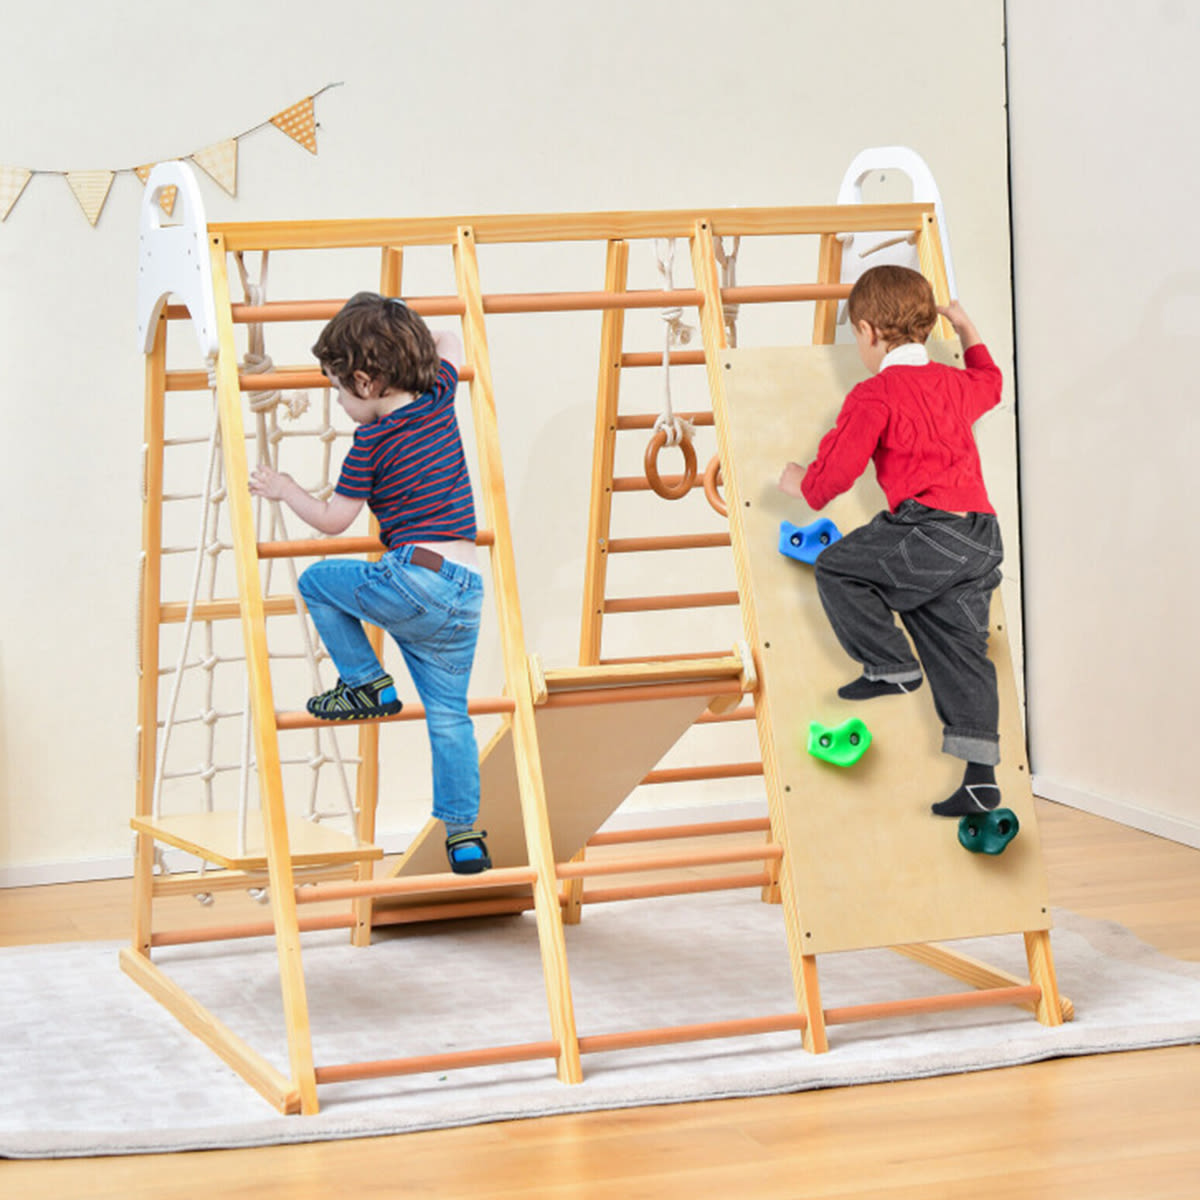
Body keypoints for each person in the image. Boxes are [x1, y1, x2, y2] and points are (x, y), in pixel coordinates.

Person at [248, 292, 490, 873]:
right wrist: (398, 329)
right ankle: (464, 836)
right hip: (465, 592)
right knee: (450, 718)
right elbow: (449, 341)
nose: (339, 402)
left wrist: (285, 489)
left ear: (365, 381)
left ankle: (366, 683)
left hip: (415, 578)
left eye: (339, 389)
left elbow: (333, 521)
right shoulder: (439, 394)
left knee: (316, 580)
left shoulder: (370, 443)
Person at [779, 265, 1005, 817]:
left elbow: (832, 478)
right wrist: (967, 327)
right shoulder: (955, 383)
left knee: (838, 567)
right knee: (958, 648)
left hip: (931, 527)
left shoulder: (874, 395)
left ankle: (890, 666)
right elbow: (992, 383)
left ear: (869, 331)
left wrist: (800, 482)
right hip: (980, 534)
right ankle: (981, 781)